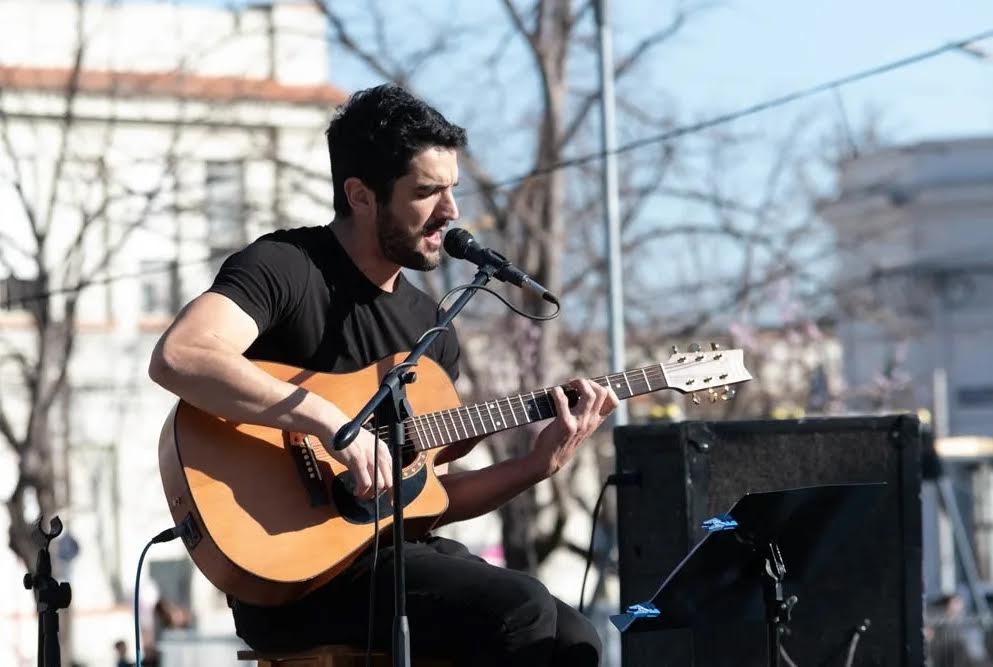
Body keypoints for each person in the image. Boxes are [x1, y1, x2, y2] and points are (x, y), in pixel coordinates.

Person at [148, 83, 618, 667]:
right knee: (520, 610)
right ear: (361, 196)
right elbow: (181, 354)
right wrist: (328, 422)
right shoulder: (285, 267)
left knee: (575, 638)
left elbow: (429, 500)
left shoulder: (431, 328)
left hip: (393, 559)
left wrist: (534, 467)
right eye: (426, 192)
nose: (451, 212)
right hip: (292, 577)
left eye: (452, 189)